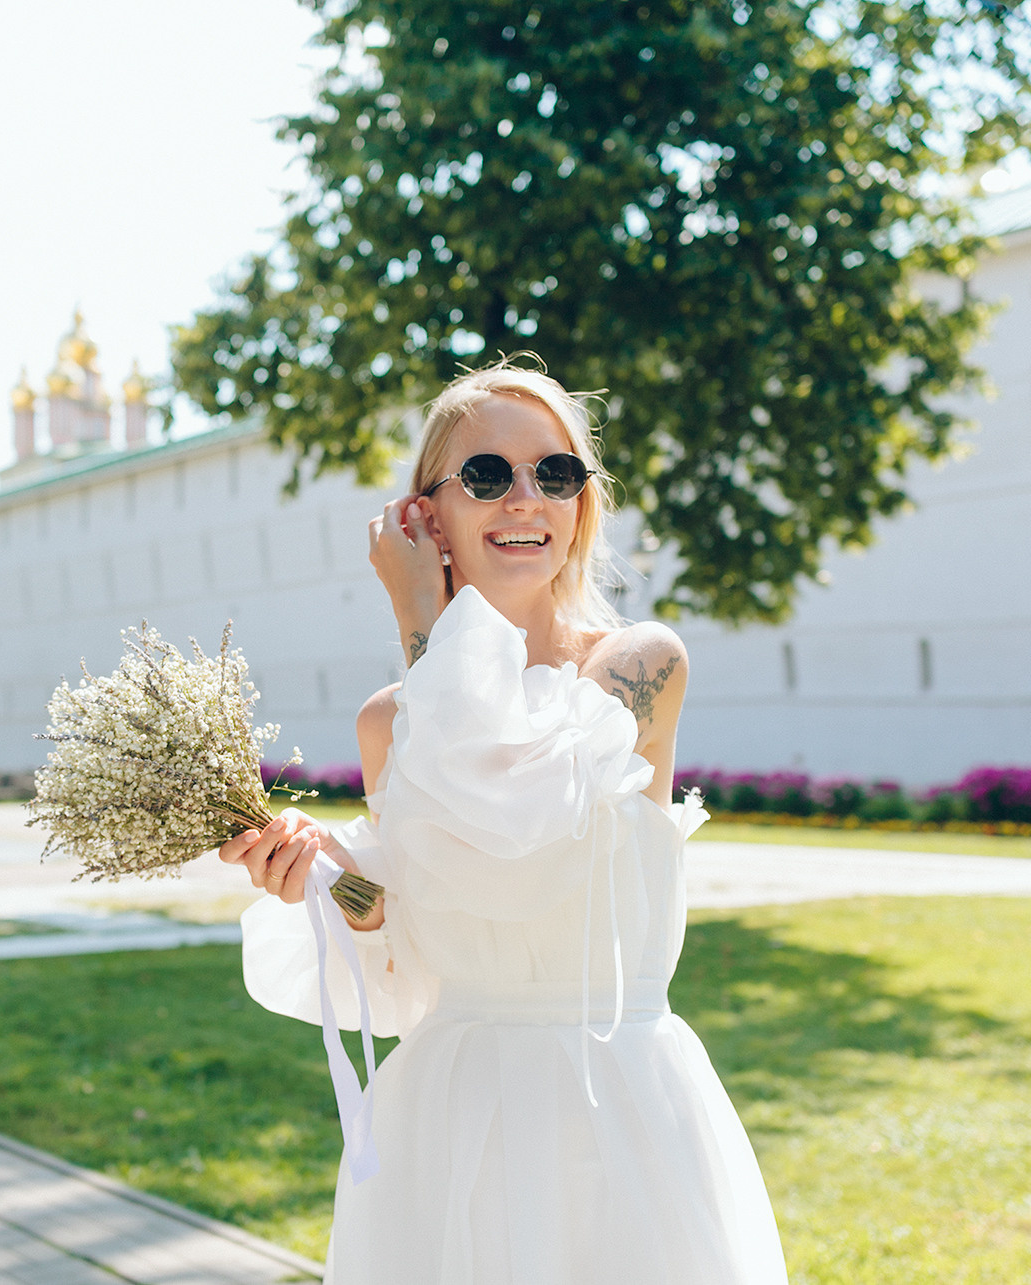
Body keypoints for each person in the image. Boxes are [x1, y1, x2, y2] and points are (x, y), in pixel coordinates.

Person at [220, 360, 788, 1282]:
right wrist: (332, 881)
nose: (525, 496)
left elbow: (511, 833)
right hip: (451, 1125)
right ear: (425, 514)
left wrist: (421, 614)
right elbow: (417, 966)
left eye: (555, 473)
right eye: (486, 474)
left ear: (581, 503)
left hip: (616, 1110)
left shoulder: (639, 666)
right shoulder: (385, 721)